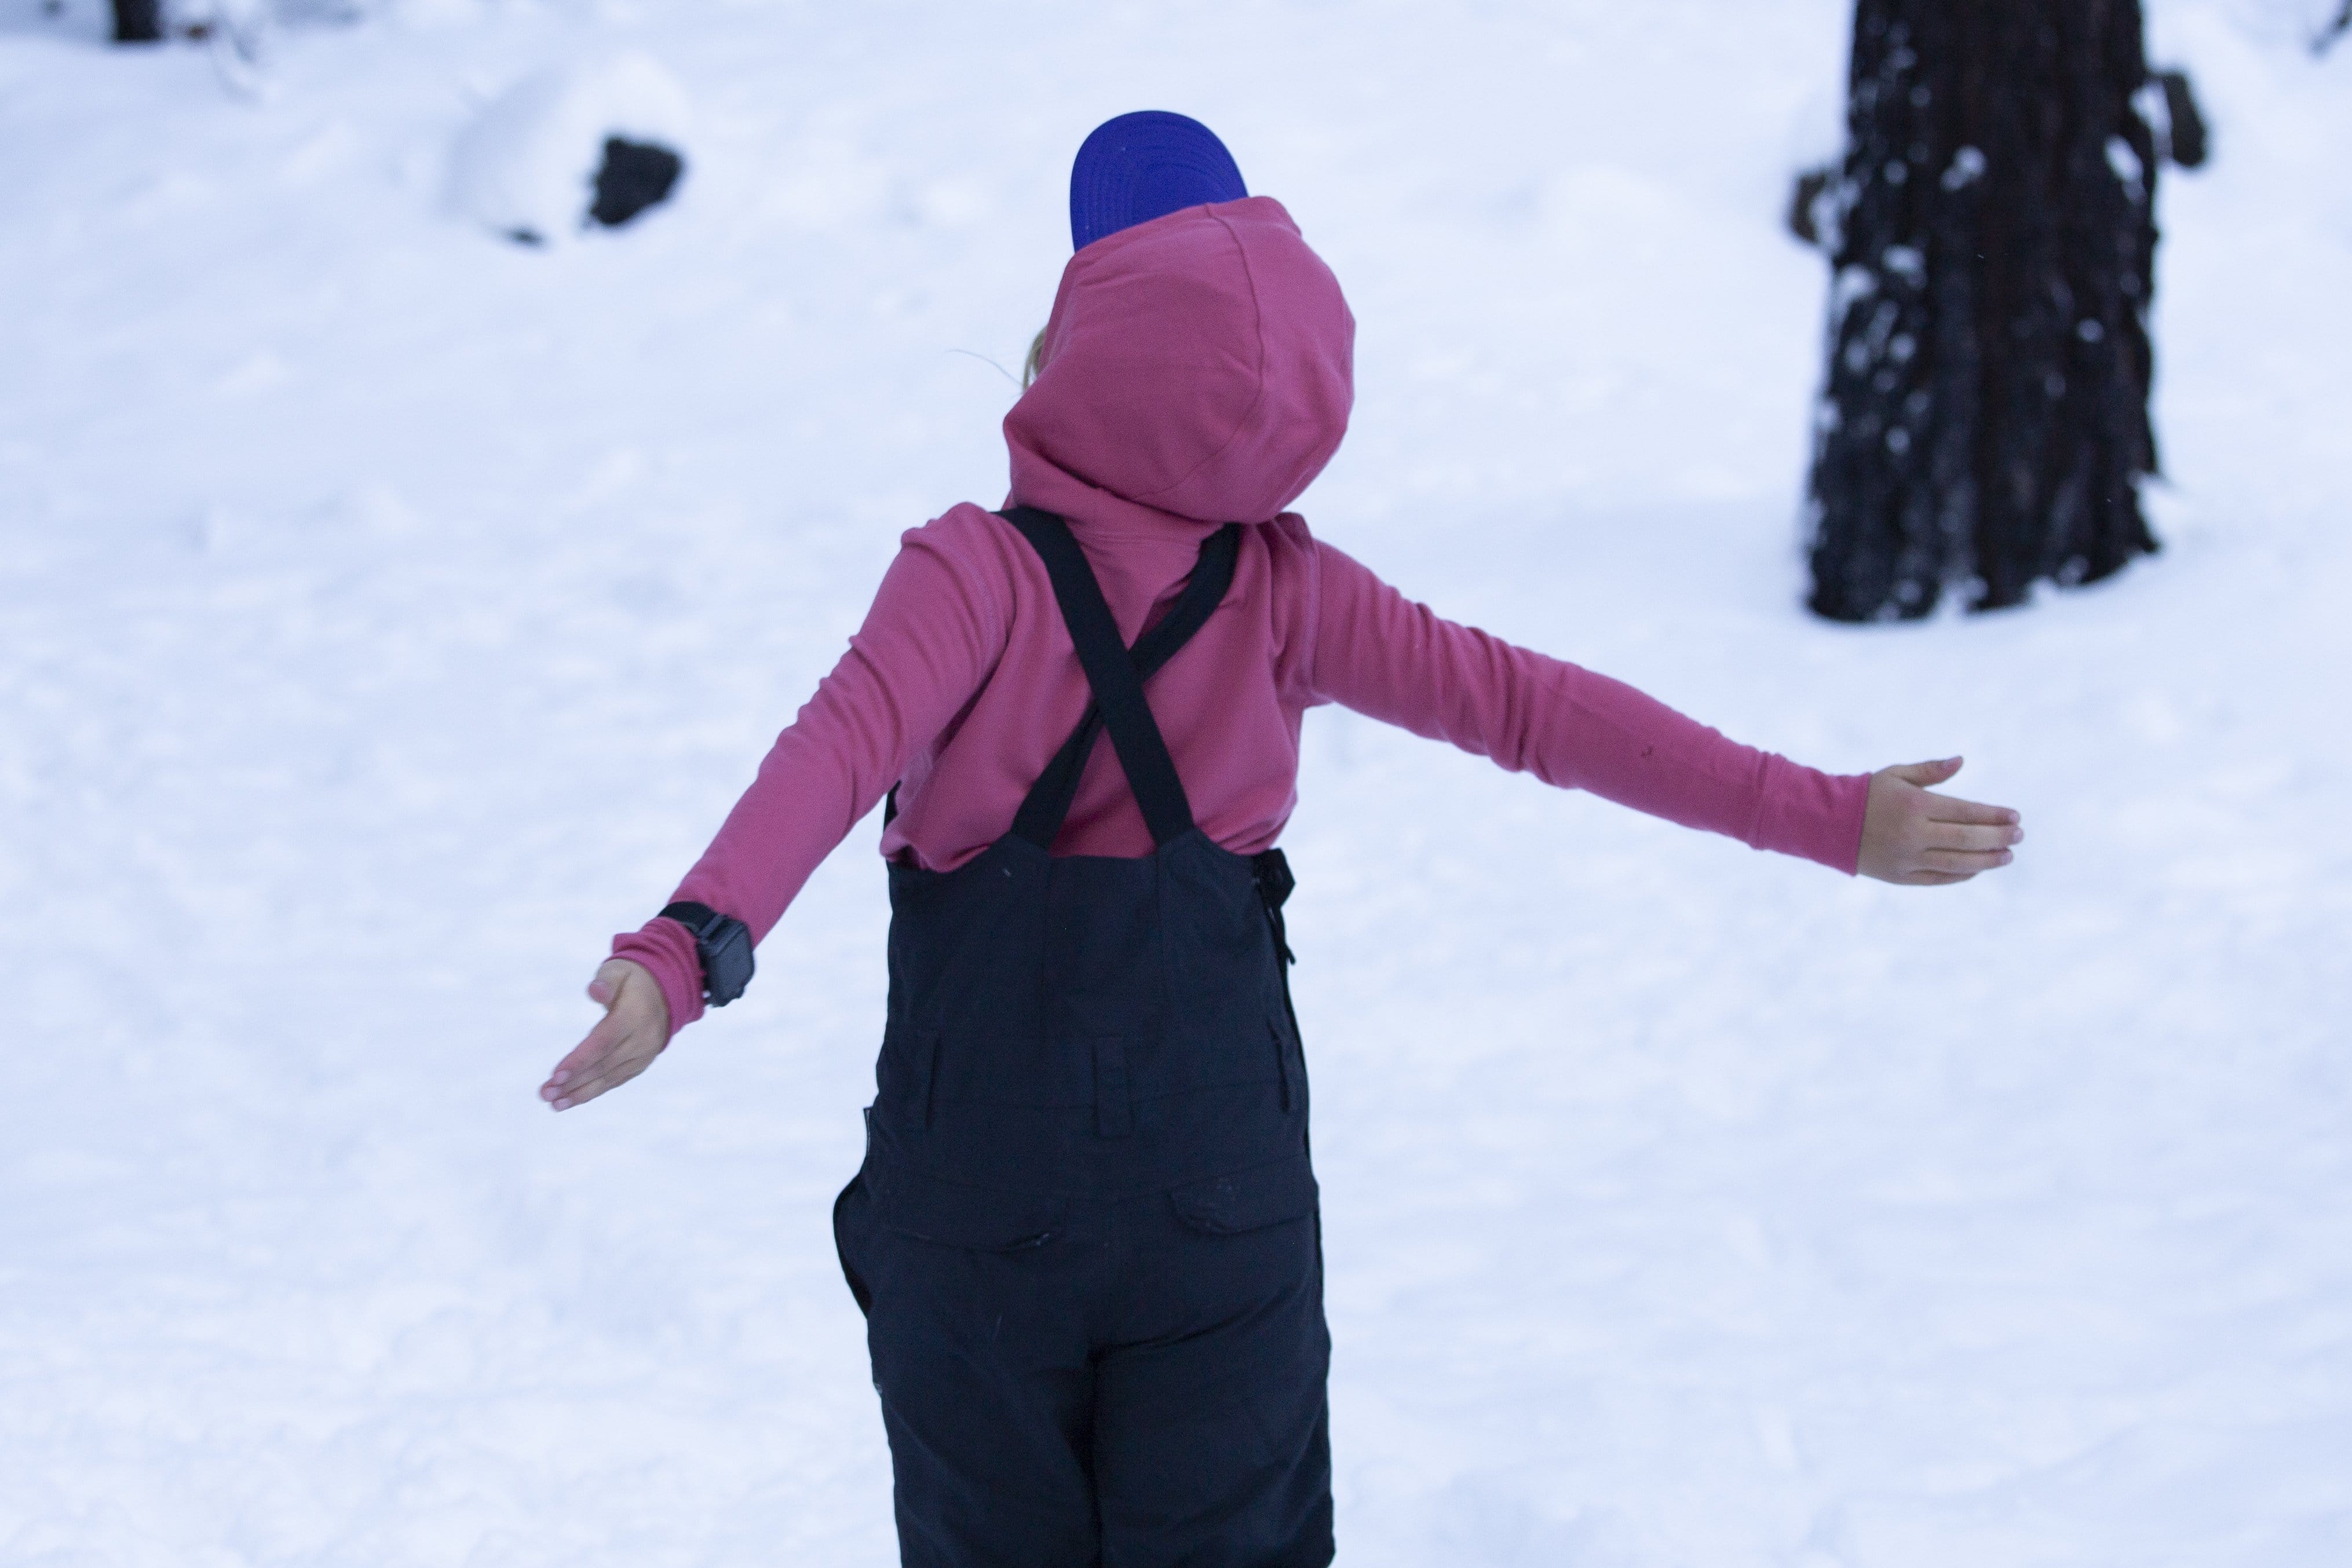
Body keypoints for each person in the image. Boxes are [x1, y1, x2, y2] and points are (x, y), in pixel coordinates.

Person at [540, 111, 2023, 1568]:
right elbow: (1536, 710)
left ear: (1076, 355)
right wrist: (1829, 815)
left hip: (977, 1189)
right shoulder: (1288, 595)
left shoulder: (973, 574)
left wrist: (690, 950)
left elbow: (838, 743)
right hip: (1219, 1194)